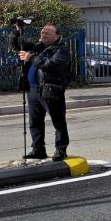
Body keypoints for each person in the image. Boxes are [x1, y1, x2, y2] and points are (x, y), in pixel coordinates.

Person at [12, 23, 72, 161]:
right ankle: (38, 149)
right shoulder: (37, 47)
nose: (43, 35)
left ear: (57, 36)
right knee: (35, 121)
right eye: (42, 32)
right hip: (33, 89)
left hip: (50, 90)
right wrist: (16, 32)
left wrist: (31, 58)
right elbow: (17, 46)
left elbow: (51, 65)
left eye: (47, 33)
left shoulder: (61, 50)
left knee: (58, 121)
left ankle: (61, 150)